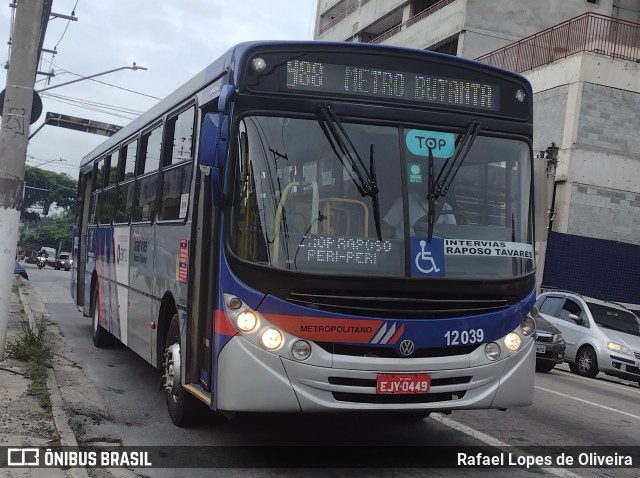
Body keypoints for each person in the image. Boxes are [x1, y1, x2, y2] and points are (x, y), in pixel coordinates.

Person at [382, 181, 456, 239]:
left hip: (436, 252)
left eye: (436, 184)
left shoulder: (445, 207)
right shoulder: (405, 202)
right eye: (428, 183)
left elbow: (452, 233)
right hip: (406, 251)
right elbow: (386, 228)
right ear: (422, 184)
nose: (431, 187)